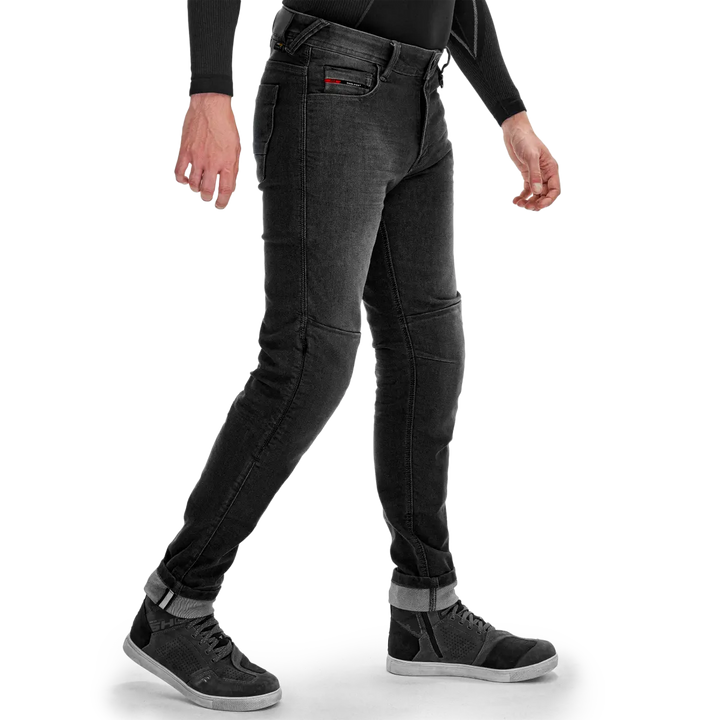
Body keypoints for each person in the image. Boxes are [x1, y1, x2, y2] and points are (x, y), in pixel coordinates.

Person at [122, 0, 562, 712]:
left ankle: (427, 608)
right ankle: (175, 602)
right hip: (328, 83)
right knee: (310, 359)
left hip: (422, 96)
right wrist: (209, 87)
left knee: (430, 352)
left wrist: (510, 111)